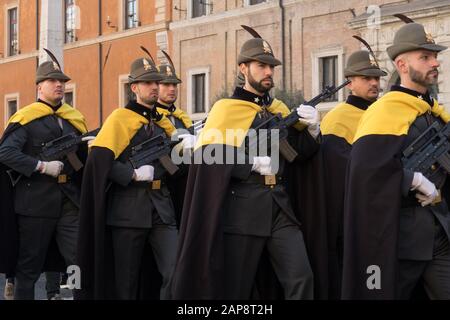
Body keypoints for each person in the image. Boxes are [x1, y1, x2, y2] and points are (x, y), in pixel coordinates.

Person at [171, 31, 320, 299]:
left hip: (280, 208)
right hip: (243, 211)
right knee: (236, 288)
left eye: (271, 67)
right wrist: (250, 163)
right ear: (243, 68)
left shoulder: (278, 109)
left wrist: (312, 130)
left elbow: (298, 155)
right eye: (261, 66)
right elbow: (209, 156)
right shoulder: (226, 109)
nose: (268, 72)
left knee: (301, 278)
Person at [342, 21, 450, 299]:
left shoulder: (433, 111)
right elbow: (365, 171)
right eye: (425, 57)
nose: (434, 62)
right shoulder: (385, 111)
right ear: (402, 65)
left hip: (439, 232)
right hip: (401, 240)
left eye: (434, 56)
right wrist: (412, 179)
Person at [76, 52, 187, 300]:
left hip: (162, 209)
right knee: (126, 282)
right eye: (148, 83)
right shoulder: (119, 119)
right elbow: (99, 161)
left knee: (175, 271)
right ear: (134, 87)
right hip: (128, 212)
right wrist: (132, 174)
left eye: (156, 82)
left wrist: (189, 148)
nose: (155, 87)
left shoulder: (163, 123)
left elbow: (176, 168)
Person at [0, 53, 90, 300]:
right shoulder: (26, 118)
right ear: (40, 86)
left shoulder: (73, 119)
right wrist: (40, 166)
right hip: (36, 203)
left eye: (61, 80)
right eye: (52, 81)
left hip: (69, 200)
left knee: (78, 261)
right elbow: (6, 152)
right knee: (28, 269)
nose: (59, 84)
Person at [319, 46, 387, 299]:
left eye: (377, 78)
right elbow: (342, 176)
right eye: (367, 78)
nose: (374, 83)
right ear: (350, 83)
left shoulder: (384, 114)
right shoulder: (337, 119)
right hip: (351, 217)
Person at [156, 51, 195, 225]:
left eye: (174, 85)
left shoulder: (182, 118)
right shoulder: (149, 118)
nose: (172, 89)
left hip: (185, 185)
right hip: (162, 184)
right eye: (166, 85)